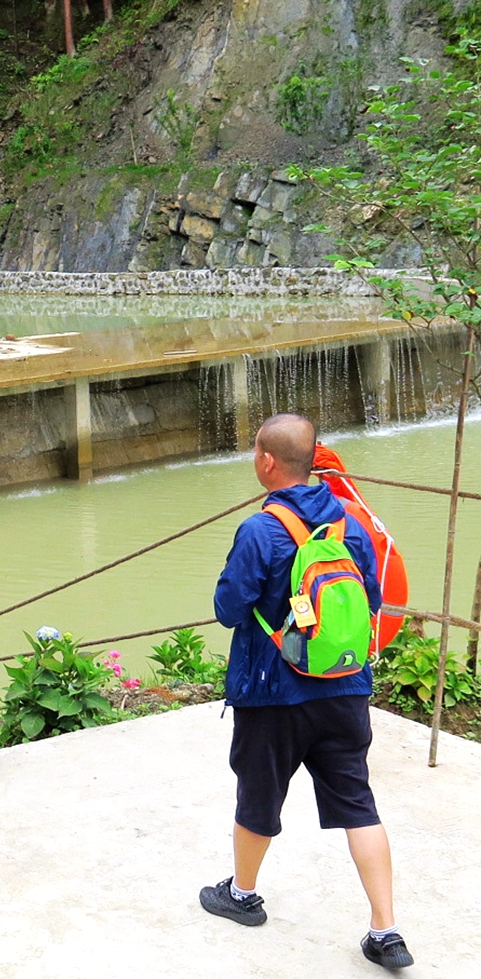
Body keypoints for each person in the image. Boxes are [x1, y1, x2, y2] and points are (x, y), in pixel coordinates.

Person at [199, 413, 409, 969]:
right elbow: (373, 600)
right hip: (344, 688)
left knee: (259, 797)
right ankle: (385, 930)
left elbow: (227, 610)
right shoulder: (348, 523)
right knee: (358, 805)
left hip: (273, 694)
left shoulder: (259, 530)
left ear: (267, 461)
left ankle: (242, 896)